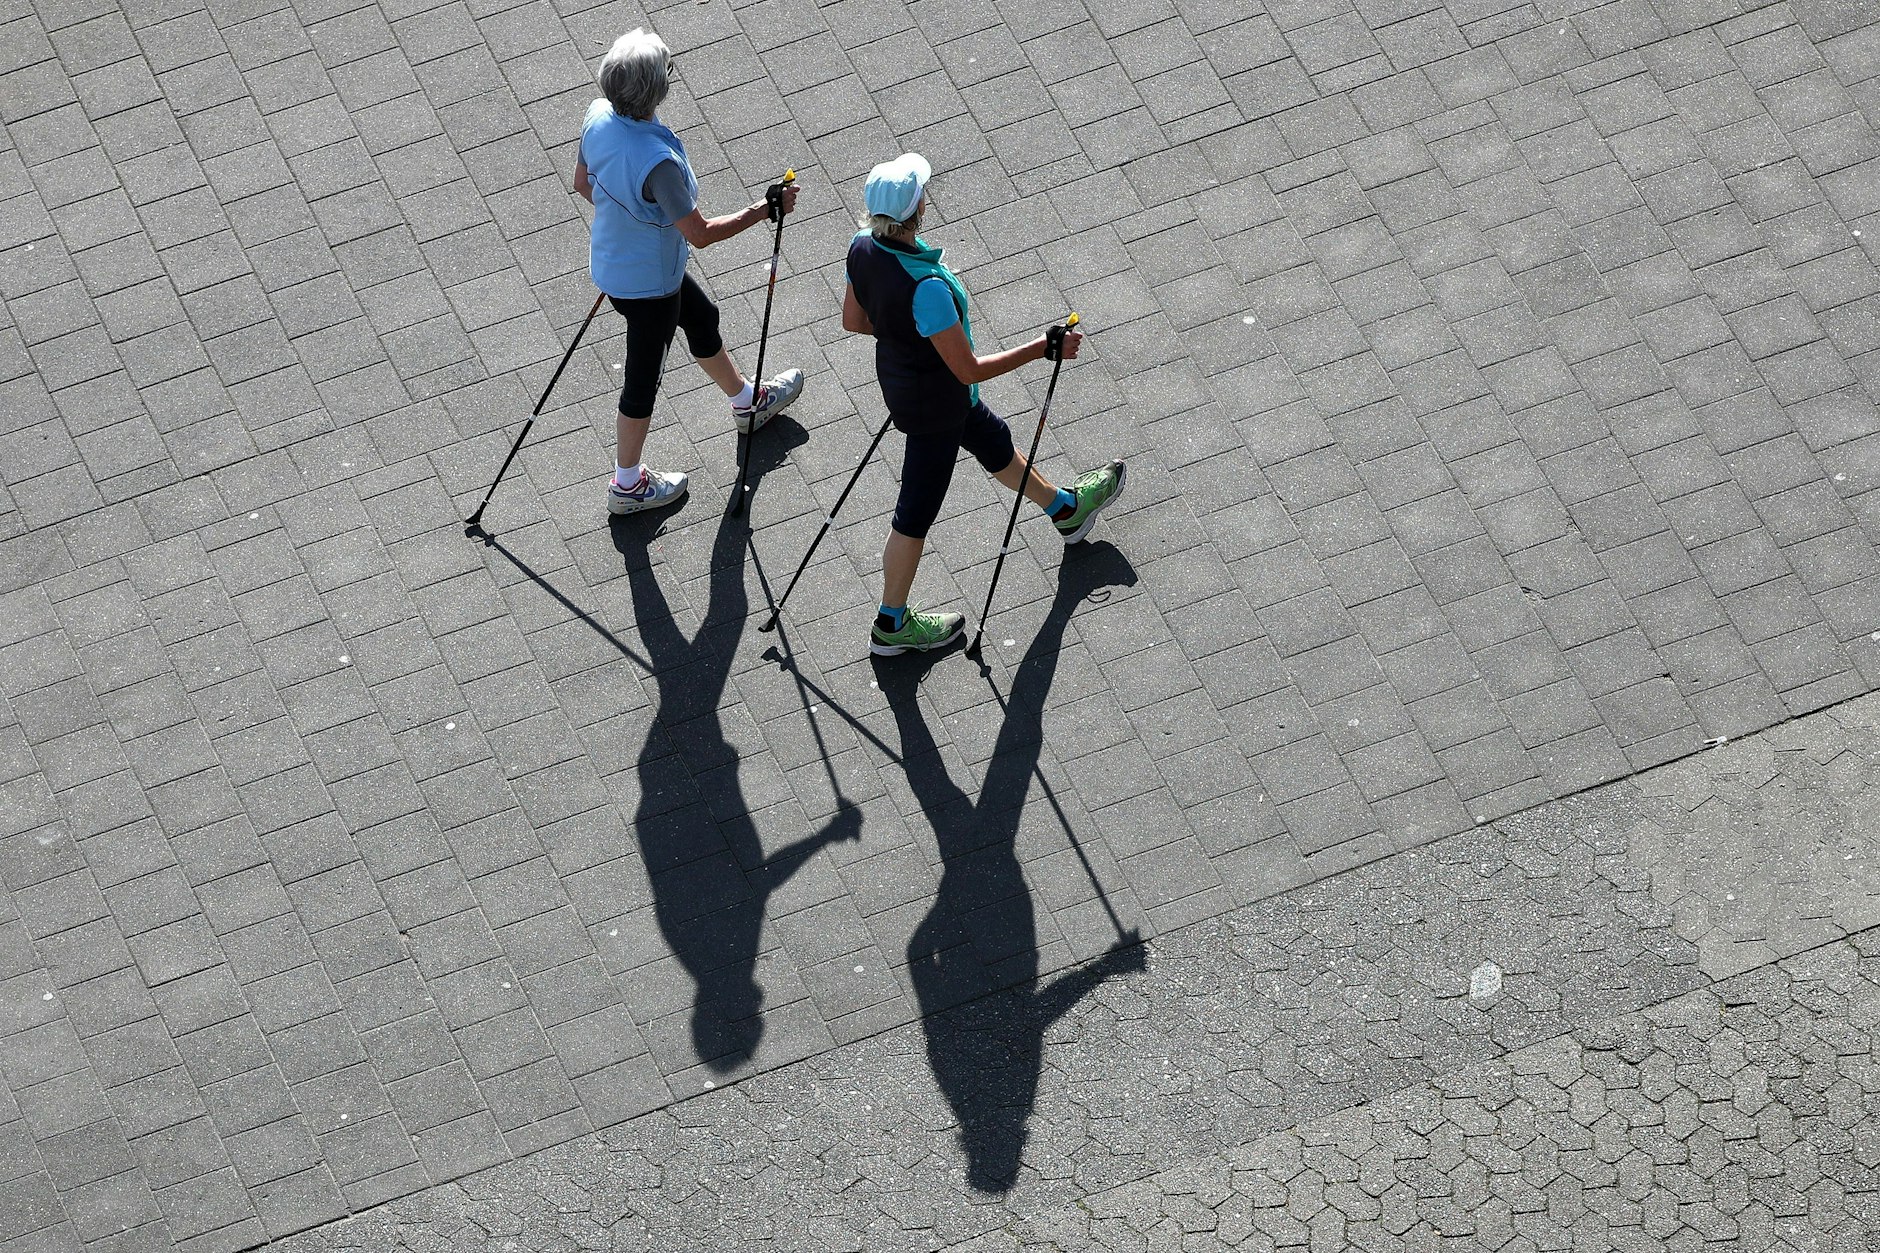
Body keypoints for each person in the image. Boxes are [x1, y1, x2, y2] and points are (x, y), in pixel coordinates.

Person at [842, 153, 1125, 656]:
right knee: (914, 514)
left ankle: (1065, 509)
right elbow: (968, 370)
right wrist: (1043, 347)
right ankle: (891, 624)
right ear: (916, 210)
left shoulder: (861, 246)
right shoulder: (927, 289)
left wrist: (906, 342)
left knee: (994, 441)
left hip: (914, 388)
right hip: (936, 408)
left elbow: (855, 321)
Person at [574, 28, 804, 515]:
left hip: (617, 263)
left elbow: (583, 184)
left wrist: (631, 224)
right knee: (642, 381)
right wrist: (765, 209)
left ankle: (746, 402)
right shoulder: (657, 164)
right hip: (651, 286)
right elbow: (698, 233)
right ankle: (627, 485)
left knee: (702, 317)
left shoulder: (596, 117)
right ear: (655, 90)